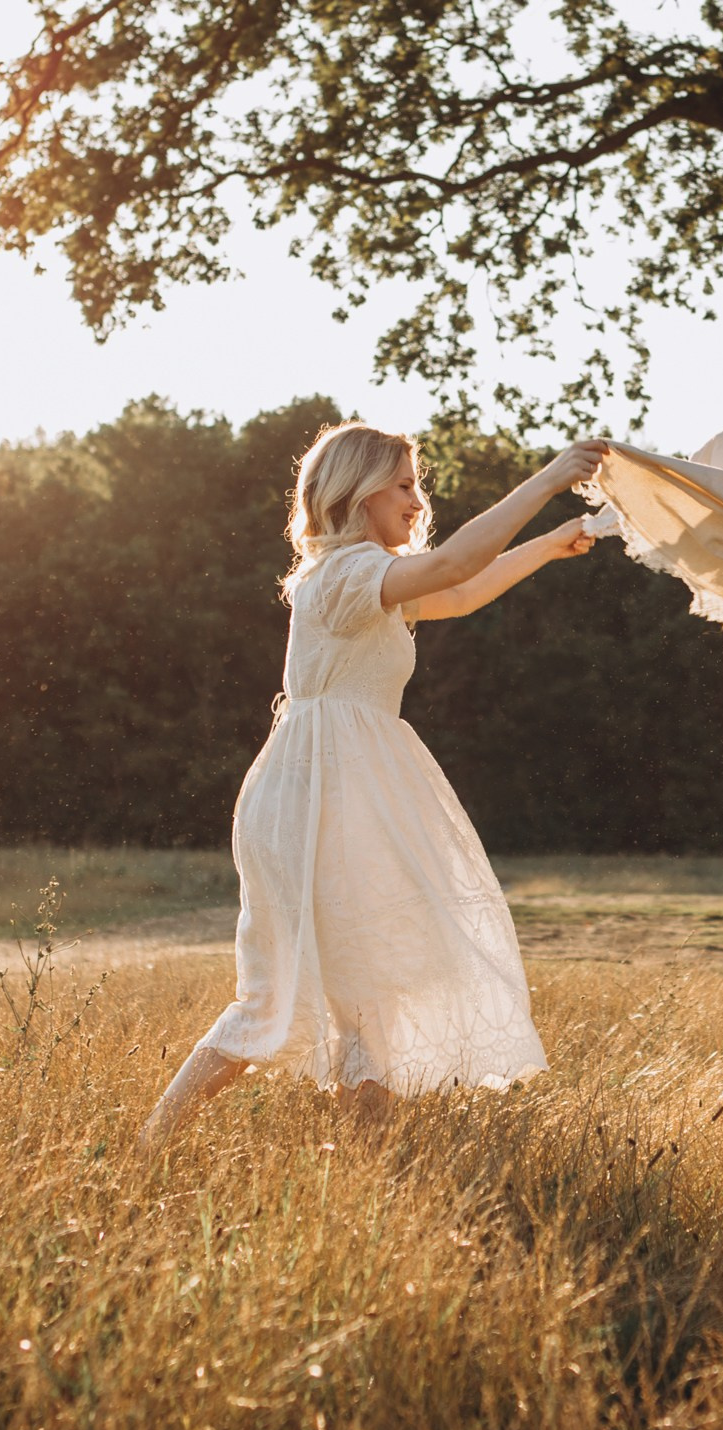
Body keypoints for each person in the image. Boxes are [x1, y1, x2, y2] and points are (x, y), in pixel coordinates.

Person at [137, 424, 606, 1155]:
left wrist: (550, 542)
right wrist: (547, 480)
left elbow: (463, 587)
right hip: (313, 800)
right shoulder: (343, 577)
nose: (418, 502)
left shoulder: (370, 577)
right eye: (405, 485)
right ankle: (152, 1143)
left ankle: (370, 1172)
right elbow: (453, 561)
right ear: (357, 493)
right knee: (276, 999)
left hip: (348, 796)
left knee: (370, 995)